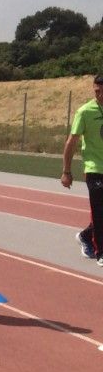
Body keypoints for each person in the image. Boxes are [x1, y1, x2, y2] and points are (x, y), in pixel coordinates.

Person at [61, 74, 103, 264]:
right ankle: (100, 252)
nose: (100, 95)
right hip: (94, 168)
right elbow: (72, 142)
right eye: (97, 91)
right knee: (100, 211)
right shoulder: (85, 112)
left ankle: (86, 236)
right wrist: (66, 171)